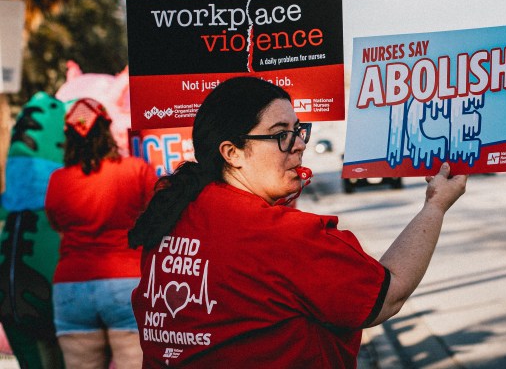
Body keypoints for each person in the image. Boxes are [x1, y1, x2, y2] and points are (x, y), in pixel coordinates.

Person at [128, 76, 468, 368]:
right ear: (232, 153)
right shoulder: (277, 234)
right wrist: (435, 207)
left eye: (298, 130)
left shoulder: (173, 212)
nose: (301, 144)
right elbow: (388, 296)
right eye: (281, 135)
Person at [45, 98, 158, 369]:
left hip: (71, 288)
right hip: (127, 284)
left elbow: (56, 224)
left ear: (69, 137)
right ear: (106, 130)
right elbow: (159, 215)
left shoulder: (58, 180)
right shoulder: (136, 170)